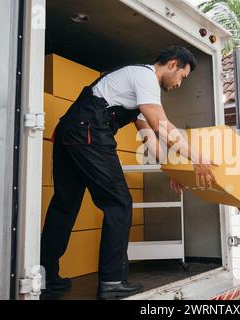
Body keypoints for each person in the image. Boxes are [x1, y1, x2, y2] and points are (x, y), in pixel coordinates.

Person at [40, 46, 217, 299]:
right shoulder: (145, 77)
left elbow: (150, 138)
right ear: (172, 64)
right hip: (88, 133)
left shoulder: (135, 89)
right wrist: (198, 159)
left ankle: (45, 276)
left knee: (64, 206)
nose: (180, 83)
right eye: (182, 76)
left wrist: (172, 172)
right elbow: (162, 126)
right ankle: (112, 281)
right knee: (119, 203)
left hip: (70, 133)